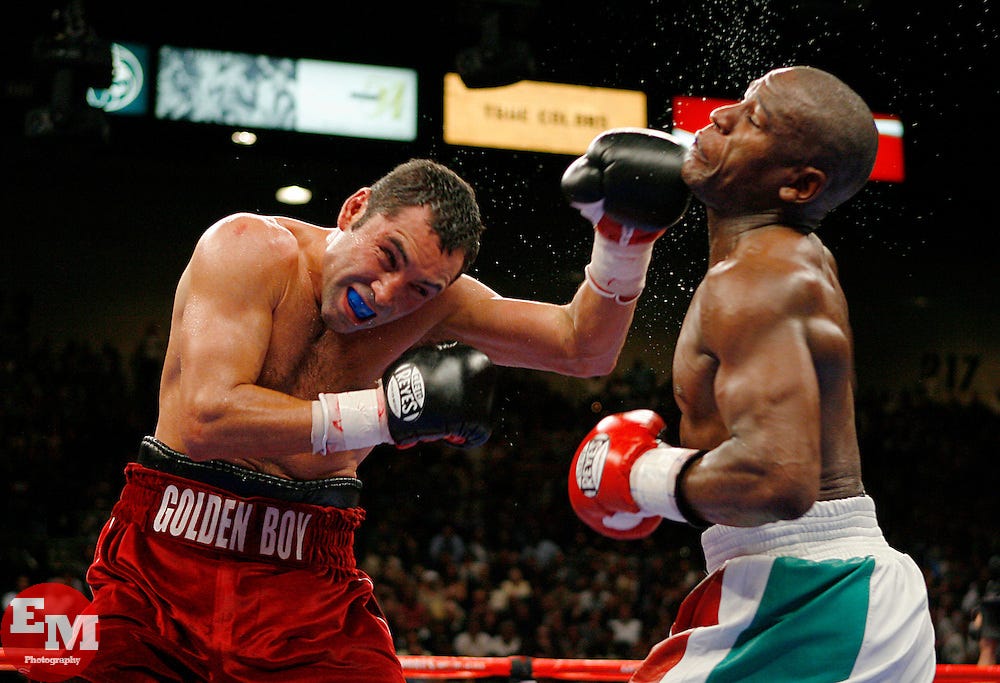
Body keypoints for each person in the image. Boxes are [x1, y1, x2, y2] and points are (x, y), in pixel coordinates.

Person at [79, 146, 691, 682]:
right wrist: (383, 415)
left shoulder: (435, 307)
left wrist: (621, 244)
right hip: (166, 557)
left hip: (309, 574)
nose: (387, 295)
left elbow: (583, 348)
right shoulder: (248, 249)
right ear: (353, 211)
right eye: (388, 256)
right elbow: (203, 420)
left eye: (422, 289)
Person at [567, 66, 936, 681]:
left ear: (799, 185)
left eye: (753, 119)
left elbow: (777, 479)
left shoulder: (756, 278)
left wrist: (642, 475)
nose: (719, 116)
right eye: (738, 103)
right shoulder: (784, 256)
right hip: (822, 586)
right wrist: (624, 240)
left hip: (811, 592)